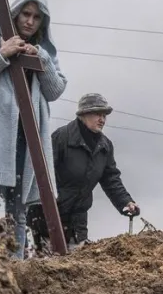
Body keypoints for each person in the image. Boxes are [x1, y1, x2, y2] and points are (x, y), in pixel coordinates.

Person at [0, 0, 66, 258]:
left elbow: (55, 91)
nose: (30, 21)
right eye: (25, 14)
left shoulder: (46, 52)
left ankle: (14, 269)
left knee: (18, 213)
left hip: (27, 140)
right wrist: (1, 54)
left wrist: (40, 59)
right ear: (15, 13)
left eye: (36, 17)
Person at [28, 93, 138, 252]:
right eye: (97, 114)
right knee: (47, 268)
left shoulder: (105, 146)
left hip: (77, 223)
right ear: (83, 114)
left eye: (104, 115)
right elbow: (41, 175)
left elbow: (111, 179)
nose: (102, 119)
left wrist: (126, 202)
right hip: (48, 219)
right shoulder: (61, 138)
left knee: (74, 270)